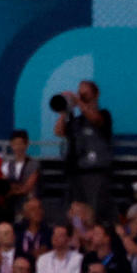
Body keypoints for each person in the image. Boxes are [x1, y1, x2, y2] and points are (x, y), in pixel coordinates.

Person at [55, 81, 114, 224]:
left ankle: (94, 238)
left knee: (94, 211)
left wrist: (78, 101)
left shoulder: (104, 115)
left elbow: (95, 119)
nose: (82, 97)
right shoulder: (76, 121)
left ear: (96, 95)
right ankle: (79, 235)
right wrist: (65, 111)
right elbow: (59, 131)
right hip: (76, 172)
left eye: (85, 95)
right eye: (80, 94)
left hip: (96, 172)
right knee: (75, 211)